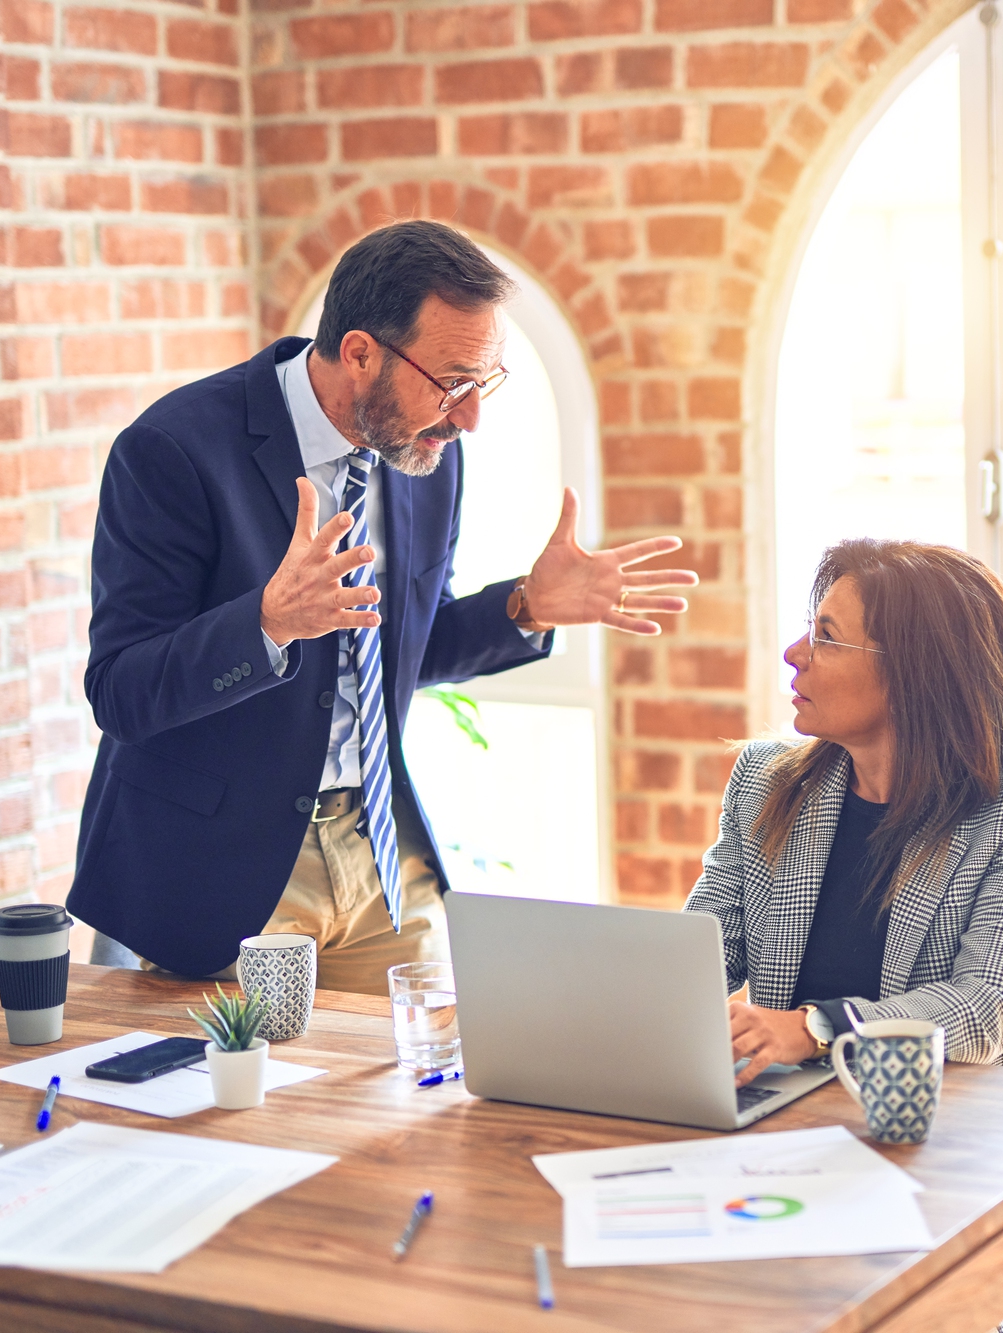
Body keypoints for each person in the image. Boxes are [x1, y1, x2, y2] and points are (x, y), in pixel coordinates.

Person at [70, 221, 696, 992]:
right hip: (228, 872)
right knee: (260, 1114)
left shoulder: (424, 451)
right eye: (453, 381)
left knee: (426, 1089)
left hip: (380, 859)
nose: (469, 417)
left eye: (484, 383)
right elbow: (121, 692)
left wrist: (528, 607)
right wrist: (266, 623)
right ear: (360, 352)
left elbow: (398, 652)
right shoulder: (172, 450)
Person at [684, 538, 1003, 1083]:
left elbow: (987, 1009)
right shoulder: (766, 779)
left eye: (827, 637)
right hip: (782, 1107)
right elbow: (699, 957)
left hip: (943, 1117)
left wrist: (817, 1028)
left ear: (915, 674)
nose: (795, 652)